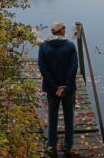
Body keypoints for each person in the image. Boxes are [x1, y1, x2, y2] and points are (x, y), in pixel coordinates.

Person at [38, 22, 78, 156]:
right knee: (69, 117)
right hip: (68, 89)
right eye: (64, 28)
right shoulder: (70, 46)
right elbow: (73, 69)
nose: (65, 30)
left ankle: (51, 145)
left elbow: (43, 69)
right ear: (60, 31)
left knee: (52, 117)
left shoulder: (44, 47)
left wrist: (55, 87)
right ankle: (68, 145)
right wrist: (64, 86)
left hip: (51, 89)